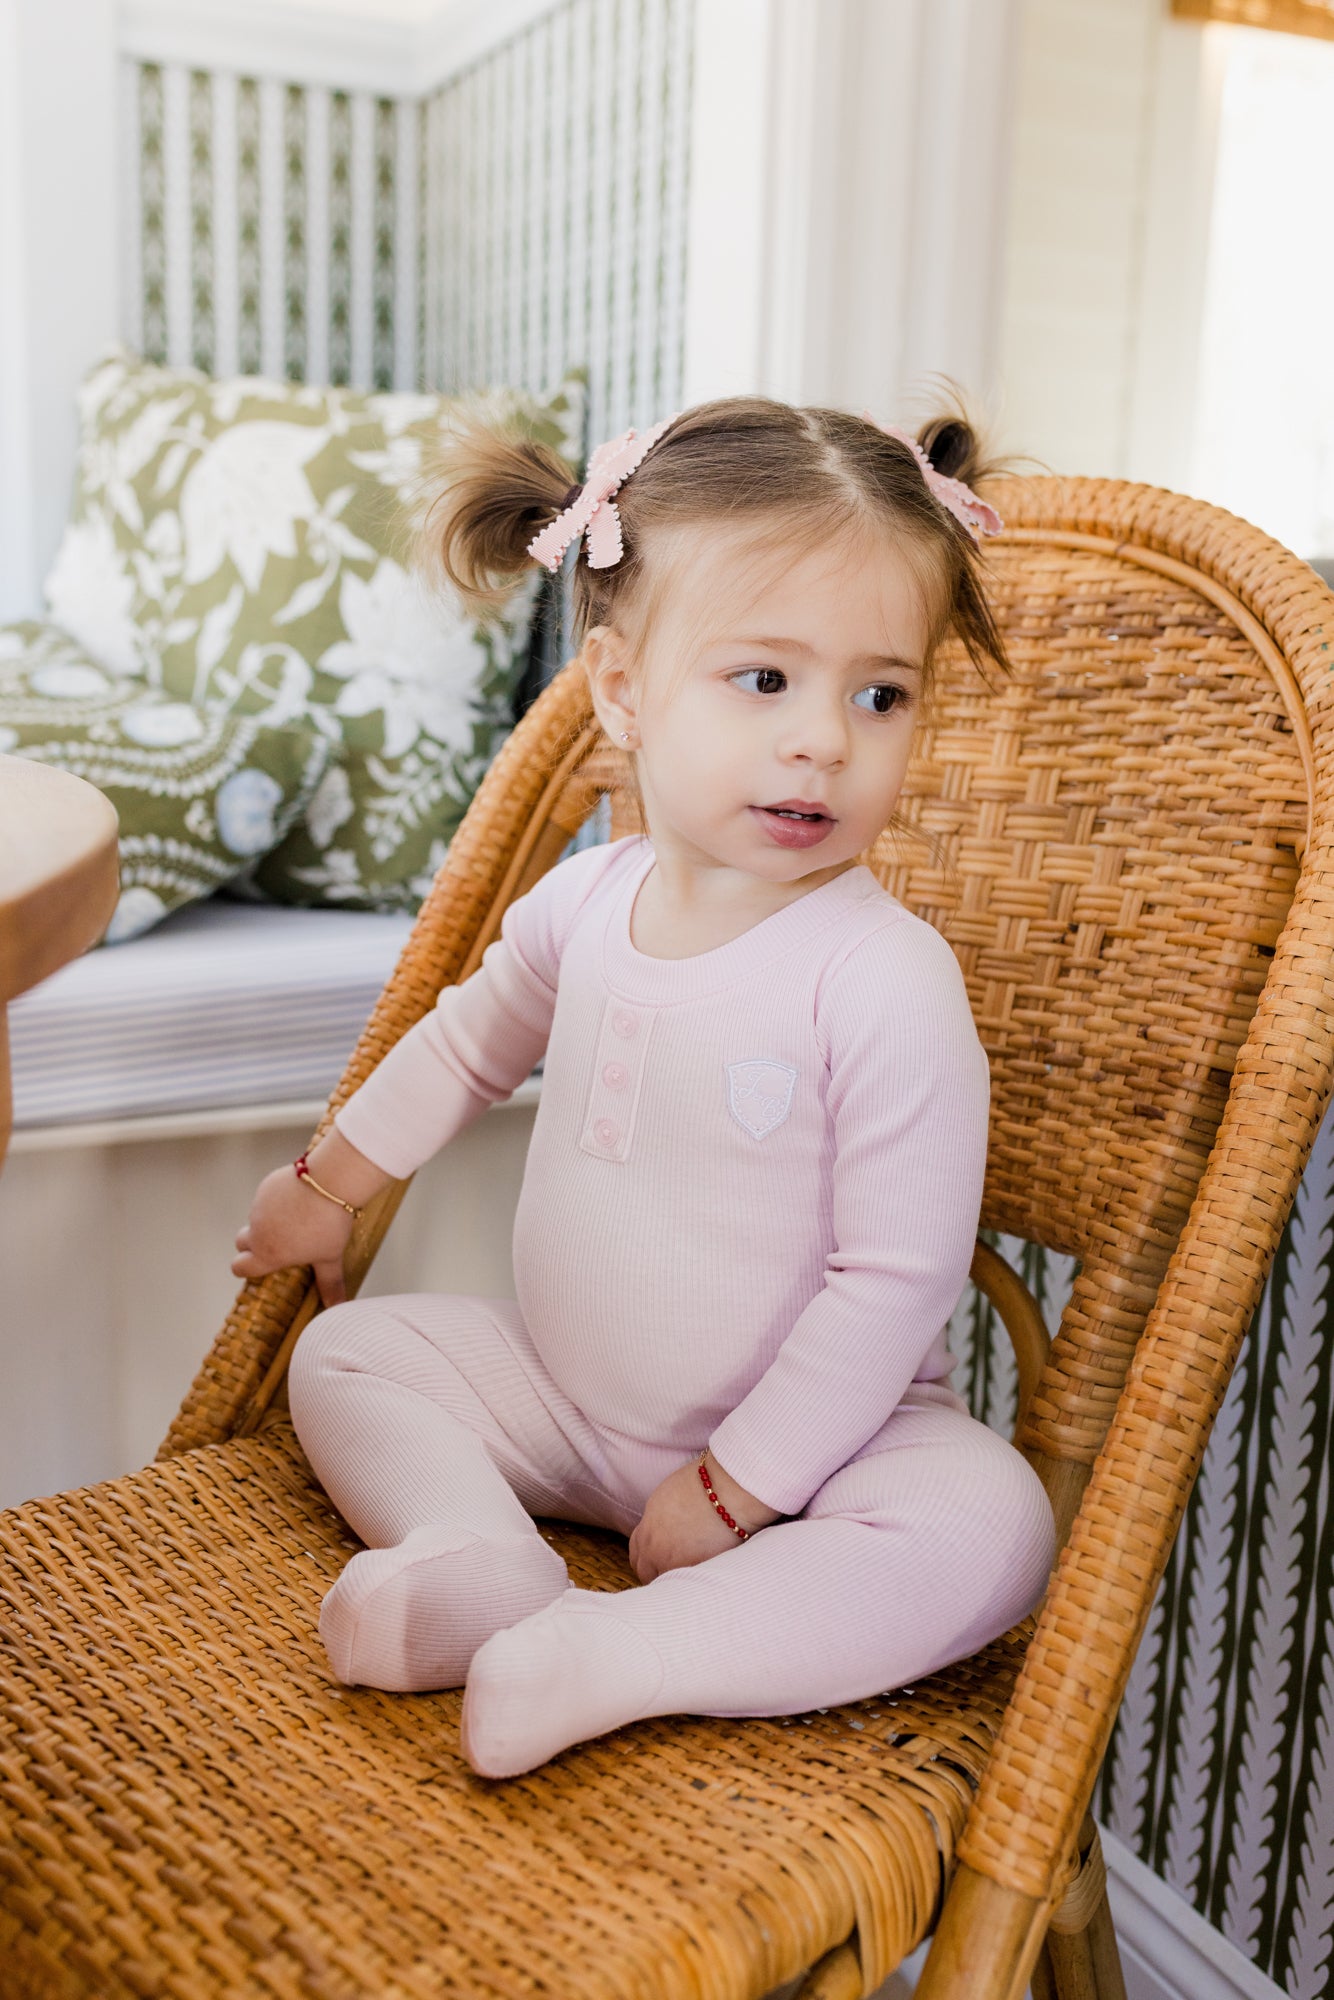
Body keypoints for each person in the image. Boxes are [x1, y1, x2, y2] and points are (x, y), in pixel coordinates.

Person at [232, 397, 1056, 1779]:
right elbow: (463, 1044)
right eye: (763, 680)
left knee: (990, 1527)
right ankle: (481, 1562)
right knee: (349, 1357)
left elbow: (895, 1279)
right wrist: (330, 1189)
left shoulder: (880, 977)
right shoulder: (585, 903)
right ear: (620, 690)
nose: (823, 742)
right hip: (563, 1402)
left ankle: (630, 1653)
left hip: (820, 1457)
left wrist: (741, 1487)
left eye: (879, 693)